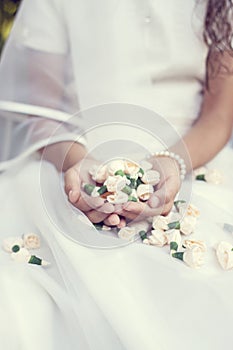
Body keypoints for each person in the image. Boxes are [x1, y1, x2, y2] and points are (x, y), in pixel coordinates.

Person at [0, 0, 233, 349]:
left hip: (191, 161)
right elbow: (40, 109)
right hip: (73, 162)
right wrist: (80, 162)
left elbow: (219, 115)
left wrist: (171, 163)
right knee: (18, 300)